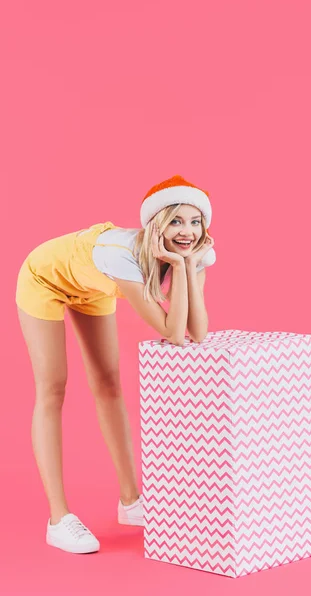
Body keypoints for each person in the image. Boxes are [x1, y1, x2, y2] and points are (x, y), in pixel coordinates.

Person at [15, 175, 216, 554]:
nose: (186, 231)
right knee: (53, 387)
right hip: (45, 278)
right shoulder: (122, 255)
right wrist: (176, 260)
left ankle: (131, 501)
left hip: (93, 286)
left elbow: (197, 331)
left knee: (109, 383)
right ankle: (58, 519)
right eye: (175, 220)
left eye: (194, 221)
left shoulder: (196, 251)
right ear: (156, 223)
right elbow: (173, 333)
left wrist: (187, 265)